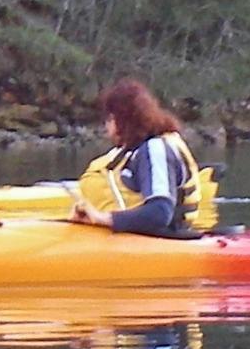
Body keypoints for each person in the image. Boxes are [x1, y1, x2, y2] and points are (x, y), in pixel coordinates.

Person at [71, 79, 203, 236]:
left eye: (109, 120)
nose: (107, 127)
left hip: (165, 243)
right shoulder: (135, 150)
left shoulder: (155, 149)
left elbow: (159, 213)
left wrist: (102, 218)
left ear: (120, 120)